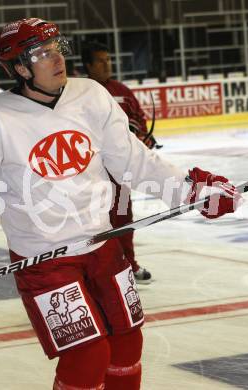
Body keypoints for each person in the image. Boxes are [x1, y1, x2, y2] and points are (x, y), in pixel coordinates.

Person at [0, 18, 241, 390]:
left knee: (127, 342)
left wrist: (190, 192)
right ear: (20, 68)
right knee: (87, 356)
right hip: (44, 258)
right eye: (43, 54)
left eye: (58, 48)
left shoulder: (90, 95)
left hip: (102, 245)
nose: (57, 59)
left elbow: (133, 160)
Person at [81, 41, 156, 284]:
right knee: (94, 223)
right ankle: (96, 270)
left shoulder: (122, 91)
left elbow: (139, 120)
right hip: (90, 175)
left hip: (119, 174)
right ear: (88, 66)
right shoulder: (79, 93)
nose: (107, 64)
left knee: (123, 217)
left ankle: (129, 265)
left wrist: (144, 137)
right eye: (101, 60)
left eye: (108, 59)